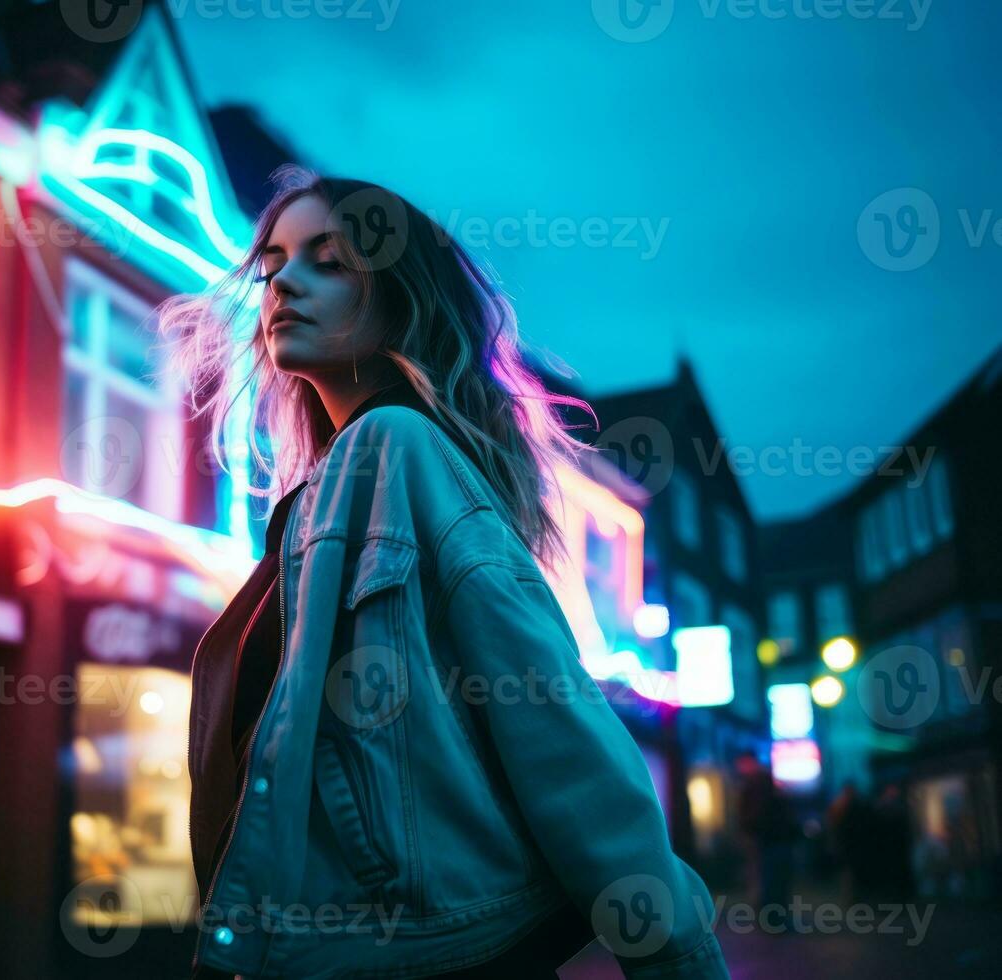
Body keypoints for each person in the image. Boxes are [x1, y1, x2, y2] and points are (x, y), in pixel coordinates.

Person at [163, 166, 729, 979]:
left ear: (398, 294)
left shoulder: (398, 447)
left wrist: (676, 952)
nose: (284, 280)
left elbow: (554, 719)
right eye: (274, 264)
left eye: (328, 260)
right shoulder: (324, 495)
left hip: (435, 960)